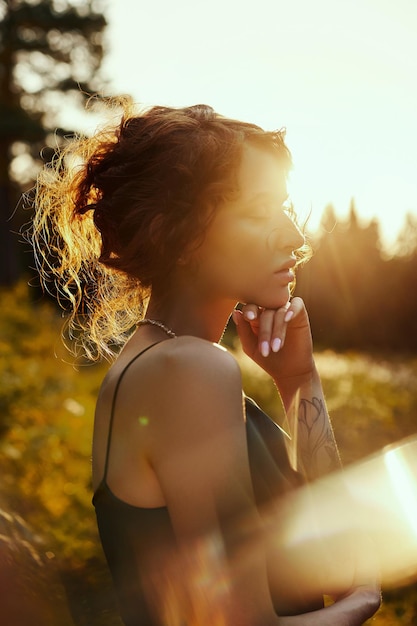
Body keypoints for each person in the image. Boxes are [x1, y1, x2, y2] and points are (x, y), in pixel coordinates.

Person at [31, 99, 380, 625]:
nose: (296, 238)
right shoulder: (189, 370)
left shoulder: (164, 365)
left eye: (285, 209)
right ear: (183, 233)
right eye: (261, 212)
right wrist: (362, 604)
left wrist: (298, 380)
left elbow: (331, 559)